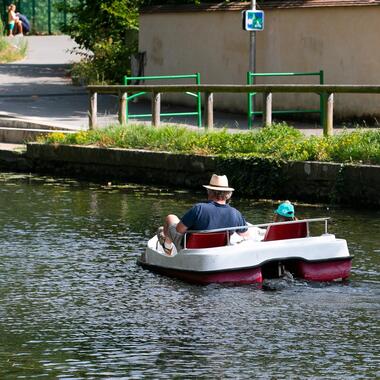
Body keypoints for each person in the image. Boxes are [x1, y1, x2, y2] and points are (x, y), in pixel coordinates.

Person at [157, 174, 249, 255]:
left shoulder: (199, 208)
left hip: (191, 250)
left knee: (170, 218)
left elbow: (179, 230)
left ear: (209, 192)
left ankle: (167, 250)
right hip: (218, 251)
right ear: (228, 194)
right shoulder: (235, 213)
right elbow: (245, 235)